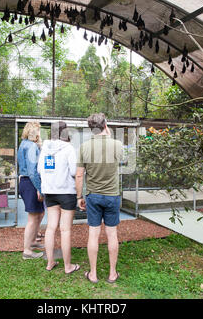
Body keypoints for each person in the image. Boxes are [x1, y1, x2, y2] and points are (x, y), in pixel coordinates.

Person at [76, 113, 123, 284]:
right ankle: (112, 274)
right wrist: (108, 135)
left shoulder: (84, 147)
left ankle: (93, 274)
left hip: (93, 196)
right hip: (112, 196)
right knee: (112, 235)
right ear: (105, 125)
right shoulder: (117, 145)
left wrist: (79, 197)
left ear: (91, 128)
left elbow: (79, 175)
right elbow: (120, 161)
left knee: (93, 235)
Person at [37, 121, 80, 274]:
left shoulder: (44, 148)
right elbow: (75, 171)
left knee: (50, 227)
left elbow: (40, 170)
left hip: (50, 192)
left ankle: (50, 262)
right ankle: (68, 266)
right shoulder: (68, 148)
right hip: (67, 192)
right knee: (65, 230)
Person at [18, 121, 45, 260]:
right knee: (32, 218)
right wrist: (39, 189)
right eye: (38, 130)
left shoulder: (24, 144)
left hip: (26, 181)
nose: (40, 133)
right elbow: (32, 171)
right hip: (31, 183)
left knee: (40, 214)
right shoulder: (31, 146)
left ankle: (33, 241)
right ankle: (27, 251)